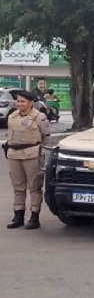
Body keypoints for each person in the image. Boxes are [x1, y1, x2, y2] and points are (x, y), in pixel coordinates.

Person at [4, 91, 50, 230]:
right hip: (14, 154)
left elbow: (46, 136)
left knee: (34, 187)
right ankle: (18, 216)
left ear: (31, 103)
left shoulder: (39, 117)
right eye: (18, 101)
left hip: (32, 154)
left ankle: (34, 217)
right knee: (18, 187)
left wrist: (42, 154)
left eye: (23, 102)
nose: (20, 104)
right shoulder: (12, 116)